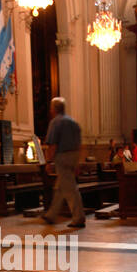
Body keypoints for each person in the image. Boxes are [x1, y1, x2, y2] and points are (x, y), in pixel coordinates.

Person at [41, 96, 85, 229]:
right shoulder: (73, 122)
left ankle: (78, 217)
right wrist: (78, 162)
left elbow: (52, 144)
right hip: (74, 155)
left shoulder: (55, 122)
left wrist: (48, 162)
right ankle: (51, 214)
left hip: (63, 157)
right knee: (60, 188)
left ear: (54, 109)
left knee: (70, 189)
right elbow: (80, 145)